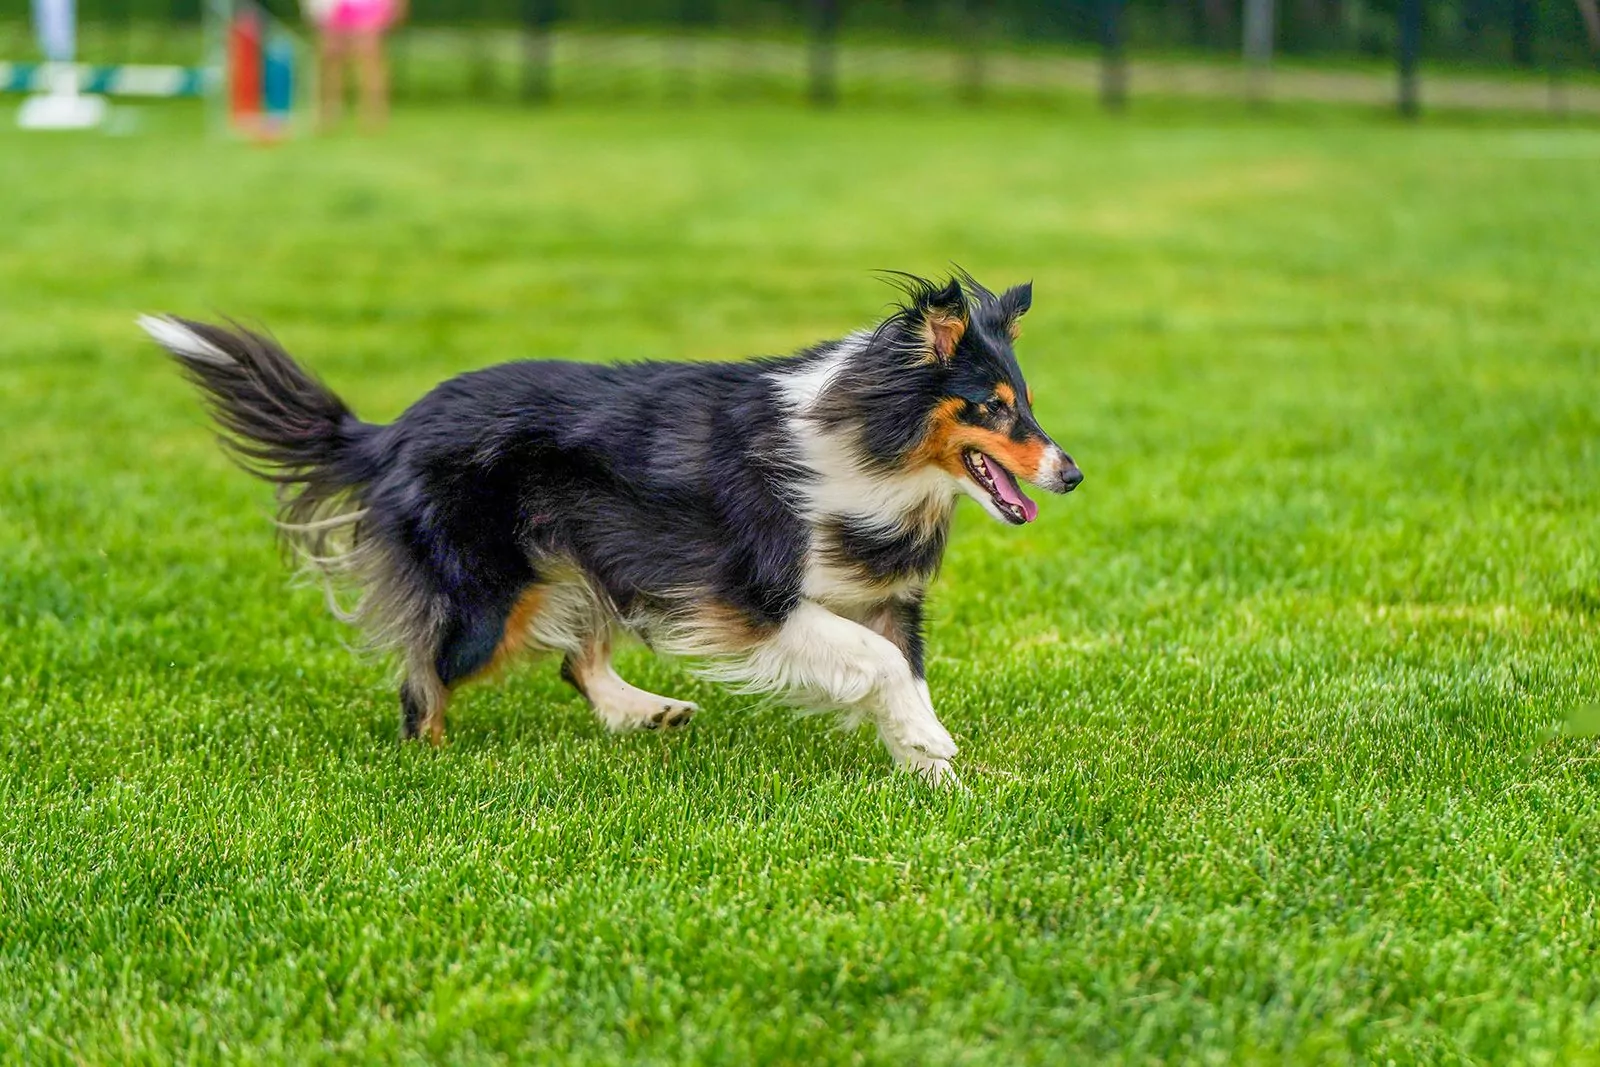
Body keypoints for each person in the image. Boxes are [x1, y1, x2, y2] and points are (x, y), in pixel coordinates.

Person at [303, 0, 405, 130]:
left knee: (368, 60)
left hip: (367, 7)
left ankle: (373, 115)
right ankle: (328, 114)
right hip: (334, 8)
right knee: (331, 60)